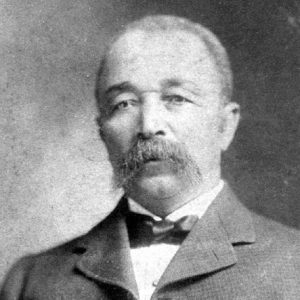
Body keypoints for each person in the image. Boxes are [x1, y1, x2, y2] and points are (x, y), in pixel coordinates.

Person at [1, 15, 299, 300]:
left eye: (177, 98)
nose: (148, 125)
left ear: (226, 125)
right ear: (102, 132)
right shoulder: (30, 281)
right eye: (124, 103)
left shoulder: (293, 264)